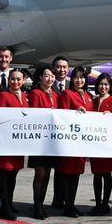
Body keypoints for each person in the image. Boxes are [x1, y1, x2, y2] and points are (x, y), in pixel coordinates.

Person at [57, 65, 93, 217]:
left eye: (82, 77)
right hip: (70, 141)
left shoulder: (89, 95)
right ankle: (68, 206)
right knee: (67, 174)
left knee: (76, 174)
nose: (79, 80)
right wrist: (75, 113)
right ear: (72, 79)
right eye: (77, 77)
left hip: (82, 142)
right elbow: (63, 115)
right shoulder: (67, 93)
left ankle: (72, 203)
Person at [0, 68, 28, 220]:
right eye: (12, 79)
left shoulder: (25, 97)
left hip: (19, 142)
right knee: (4, 173)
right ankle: (5, 207)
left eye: (18, 79)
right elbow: (0, 116)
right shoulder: (4, 95)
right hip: (6, 141)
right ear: (8, 80)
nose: (15, 82)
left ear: (23, 80)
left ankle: (9, 203)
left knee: (13, 174)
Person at [27, 66, 59, 219]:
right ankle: (37, 206)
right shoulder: (35, 93)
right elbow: (34, 114)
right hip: (39, 140)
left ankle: (41, 204)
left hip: (51, 141)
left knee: (47, 174)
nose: (50, 78)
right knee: (39, 173)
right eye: (47, 75)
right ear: (40, 77)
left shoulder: (55, 94)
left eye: (52, 76)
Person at [90, 73, 112, 215]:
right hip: (95, 144)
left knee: (106, 175)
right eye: (101, 84)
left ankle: (105, 203)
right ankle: (97, 204)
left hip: (107, 144)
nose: (103, 87)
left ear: (110, 86)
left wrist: (110, 117)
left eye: (106, 84)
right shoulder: (93, 101)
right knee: (97, 175)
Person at [49, 55, 71, 208]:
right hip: (52, 133)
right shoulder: (48, 85)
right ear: (53, 69)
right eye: (58, 67)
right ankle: (57, 199)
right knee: (55, 169)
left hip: (69, 133)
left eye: (64, 67)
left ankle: (65, 198)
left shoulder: (73, 84)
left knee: (66, 168)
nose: (62, 70)